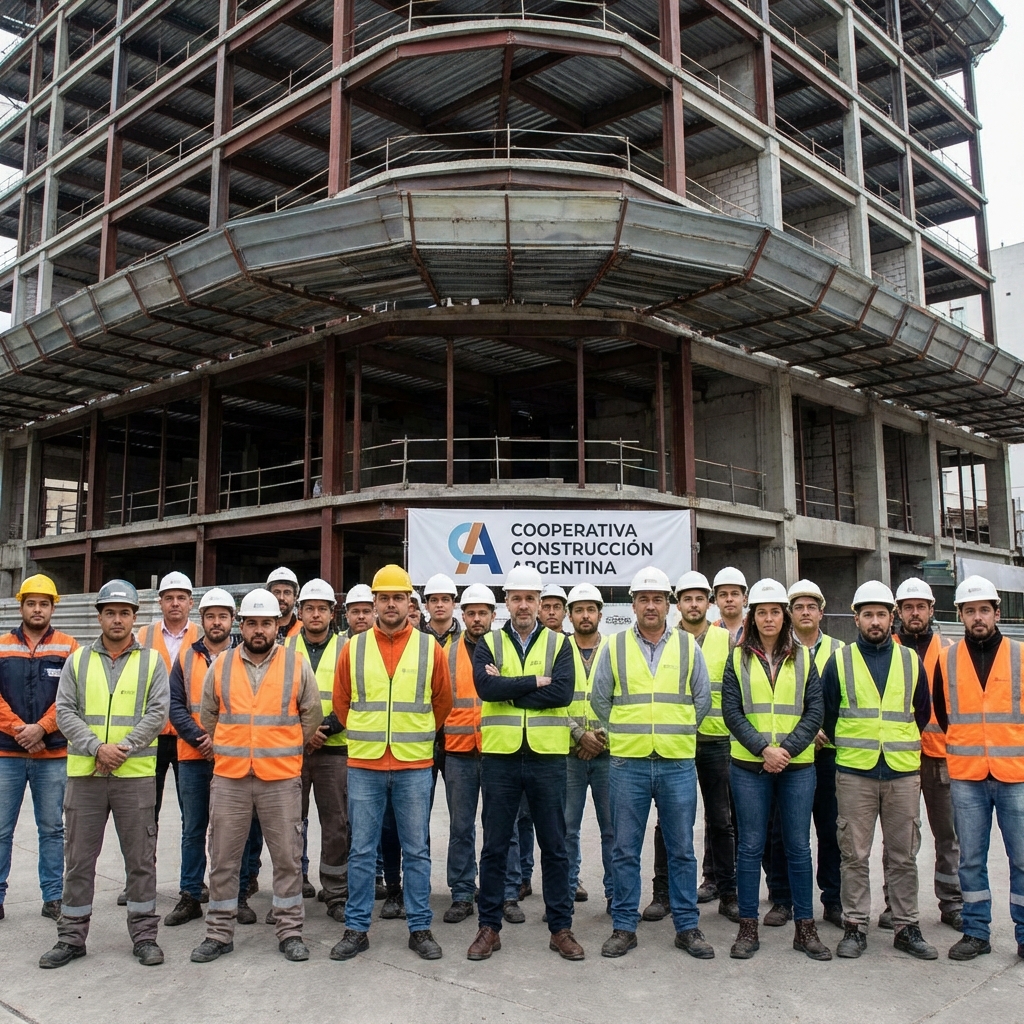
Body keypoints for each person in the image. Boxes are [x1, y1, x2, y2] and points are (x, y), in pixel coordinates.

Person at [39, 580, 169, 969]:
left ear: (134, 617)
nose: (117, 619)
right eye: (110, 612)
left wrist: (121, 749)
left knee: (140, 861)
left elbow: (157, 712)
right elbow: (64, 711)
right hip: (86, 777)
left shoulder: (152, 661)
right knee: (78, 860)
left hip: (135, 777)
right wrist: (98, 749)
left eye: (124, 612)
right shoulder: (78, 660)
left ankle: (145, 937)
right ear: (99, 617)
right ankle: (71, 938)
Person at [190, 588, 322, 964]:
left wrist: (287, 747)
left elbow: (311, 714)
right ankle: (218, 933)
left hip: (280, 778)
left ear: (278, 625)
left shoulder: (296, 664)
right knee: (223, 859)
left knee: (287, 858)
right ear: (241, 625)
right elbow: (209, 715)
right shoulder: (222, 665)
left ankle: (290, 930)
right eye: (252, 623)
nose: (259, 630)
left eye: (267, 622)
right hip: (230, 777)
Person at [330, 565, 452, 963]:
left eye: (398, 598)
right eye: (383, 598)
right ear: (374, 602)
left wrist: (410, 736)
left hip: (414, 764)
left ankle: (420, 928)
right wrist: (370, 735)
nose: (390, 604)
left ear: (409, 603)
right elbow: (343, 703)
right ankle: (357, 928)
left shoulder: (429, 647)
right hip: (364, 763)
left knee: (417, 850)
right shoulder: (353, 646)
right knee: (362, 851)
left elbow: (442, 702)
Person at [591, 566, 712, 960]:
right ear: (633, 604)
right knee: (625, 848)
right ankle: (624, 927)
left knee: (681, 849)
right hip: (629, 763)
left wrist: (675, 731)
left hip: (677, 762)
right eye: (643, 599)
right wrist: (629, 733)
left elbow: (702, 700)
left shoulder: (688, 647)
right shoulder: (614, 646)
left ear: (668, 604)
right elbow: (600, 699)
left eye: (658, 599)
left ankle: (687, 927)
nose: (650, 606)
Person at [466, 563, 582, 962]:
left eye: (530, 599)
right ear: (506, 603)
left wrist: (509, 689)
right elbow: (485, 687)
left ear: (540, 602)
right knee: (496, 844)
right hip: (500, 755)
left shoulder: (559, 644)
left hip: (547, 756)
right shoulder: (490, 643)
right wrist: (535, 682)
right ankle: (489, 927)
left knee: (554, 844)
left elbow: (563, 694)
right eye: (516, 599)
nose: (524, 605)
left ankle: (561, 927)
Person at [822, 580, 937, 961]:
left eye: (882, 614)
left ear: (892, 618)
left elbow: (920, 712)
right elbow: (828, 712)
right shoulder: (839, 661)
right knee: (854, 854)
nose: (875, 621)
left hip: (902, 773)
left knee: (903, 855)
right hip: (856, 773)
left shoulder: (910, 660)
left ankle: (907, 926)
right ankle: (855, 926)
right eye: (868, 614)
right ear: (856, 618)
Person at [722, 578, 829, 961]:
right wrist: (763, 749)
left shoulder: (803, 656)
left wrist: (783, 751)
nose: (769, 618)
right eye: (762, 612)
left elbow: (814, 710)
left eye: (775, 612)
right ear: (753, 616)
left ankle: (806, 929)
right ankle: (747, 928)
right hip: (749, 766)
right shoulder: (736, 658)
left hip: (797, 766)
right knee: (750, 847)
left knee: (799, 848)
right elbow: (731, 712)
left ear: (785, 616)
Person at [934, 575, 1024, 962]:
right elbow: (940, 709)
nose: (977, 617)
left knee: (1022, 858)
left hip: (1015, 774)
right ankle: (975, 931)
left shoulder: (1020, 656)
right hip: (967, 774)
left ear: (996, 612)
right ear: (960, 615)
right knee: (970, 858)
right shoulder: (946, 659)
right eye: (969, 611)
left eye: (983, 609)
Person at [647, 571, 736, 924]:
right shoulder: (663, 641)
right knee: (667, 823)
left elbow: (734, 692)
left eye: (700, 598)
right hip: (675, 743)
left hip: (716, 741)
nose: (694, 604)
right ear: (676, 604)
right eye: (687, 599)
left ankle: (728, 893)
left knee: (722, 821)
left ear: (708, 603)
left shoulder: (726, 640)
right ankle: (662, 894)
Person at [442, 583, 525, 924]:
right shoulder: (445, 653)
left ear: (494, 615)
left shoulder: (507, 650)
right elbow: (437, 699)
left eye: (483, 613)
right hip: (459, 753)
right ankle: (462, 893)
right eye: (471, 613)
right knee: (461, 828)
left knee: (505, 828)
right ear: (463, 615)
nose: (477, 619)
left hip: (499, 751)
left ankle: (507, 894)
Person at [884, 577, 963, 931]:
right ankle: (894, 905)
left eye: (921, 607)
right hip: (899, 757)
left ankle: (952, 902)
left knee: (947, 835)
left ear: (932, 610)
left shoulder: (947, 651)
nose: (914, 613)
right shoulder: (885, 649)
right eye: (908, 607)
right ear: (898, 612)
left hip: (939, 757)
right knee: (899, 838)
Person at [0, 574, 78, 923]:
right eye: (31, 603)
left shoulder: (68, 646)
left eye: (43, 603)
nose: (37, 609)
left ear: (52, 608)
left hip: (52, 755)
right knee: (1, 829)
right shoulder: (2, 645)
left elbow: (70, 698)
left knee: (52, 829)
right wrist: (20, 730)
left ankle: (54, 897)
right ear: (21, 606)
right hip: (7, 754)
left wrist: (42, 729)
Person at [164, 588, 239, 927]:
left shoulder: (243, 655)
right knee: (193, 828)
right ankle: (191, 895)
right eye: (211, 616)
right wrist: (199, 738)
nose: (217, 622)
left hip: (233, 757)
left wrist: (220, 741)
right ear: (202, 620)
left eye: (223, 616)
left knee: (235, 830)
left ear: (232, 620)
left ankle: (238, 895)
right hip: (193, 757)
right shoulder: (184, 657)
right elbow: (175, 706)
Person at [287, 578, 349, 923]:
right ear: (300, 611)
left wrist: (320, 730)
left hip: (334, 749)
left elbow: (354, 695)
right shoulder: (286, 648)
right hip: (294, 750)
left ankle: (336, 892)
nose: (315, 614)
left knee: (336, 824)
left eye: (321, 609)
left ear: (331, 613)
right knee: (289, 824)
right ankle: (291, 892)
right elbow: (278, 698)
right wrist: (304, 734)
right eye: (309, 608)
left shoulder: (346, 648)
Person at [784, 579, 845, 930]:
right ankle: (783, 898)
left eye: (811, 607)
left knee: (829, 829)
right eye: (799, 607)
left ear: (821, 612)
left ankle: (832, 899)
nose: (805, 612)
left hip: (828, 753)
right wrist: (804, 734)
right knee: (785, 832)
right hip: (791, 753)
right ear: (790, 613)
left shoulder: (839, 650)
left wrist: (825, 731)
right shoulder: (779, 649)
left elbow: (845, 700)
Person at [135, 571, 199, 837]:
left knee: (193, 814)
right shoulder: (143, 636)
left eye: (181, 598)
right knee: (147, 813)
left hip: (190, 736)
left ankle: (193, 878)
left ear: (190, 603)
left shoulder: (203, 634)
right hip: (153, 737)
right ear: (160, 602)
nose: (175, 603)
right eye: (169, 598)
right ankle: (145, 875)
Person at [563, 584, 612, 913]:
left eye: (590, 609)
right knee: (566, 828)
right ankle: (564, 892)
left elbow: (625, 699)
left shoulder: (614, 648)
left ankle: (615, 896)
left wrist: (600, 738)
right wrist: (580, 735)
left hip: (609, 755)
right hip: (569, 754)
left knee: (614, 830)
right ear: (570, 615)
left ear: (599, 614)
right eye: (578, 610)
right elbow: (551, 703)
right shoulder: (557, 649)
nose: (585, 615)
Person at [422, 574, 461, 648]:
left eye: (445, 600)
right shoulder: (417, 638)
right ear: (426, 605)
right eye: (434, 600)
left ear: (453, 604)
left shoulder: (464, 639)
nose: (439, 605)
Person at [712, 567, 747, 645]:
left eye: (734, 594)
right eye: (723, 595)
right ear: (716, 600)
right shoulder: (709, 632)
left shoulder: (756, 630)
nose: (729, 599)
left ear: (745, 599)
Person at [267, 566, 302, 641]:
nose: (281, 597)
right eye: (277, 592)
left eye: (287, 592)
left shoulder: (305, 631)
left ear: (295, 597)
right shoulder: (260, 630)